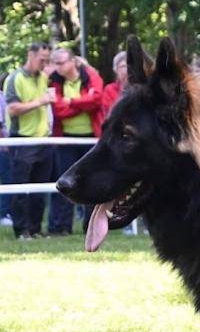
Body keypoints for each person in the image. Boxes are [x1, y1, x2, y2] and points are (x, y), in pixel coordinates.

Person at [48, 47, 104, 235]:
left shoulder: (91, 76)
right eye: (55, 63)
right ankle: (60, 227)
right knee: (63, 183)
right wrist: (83, 103)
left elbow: (96, 100)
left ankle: (91, 226)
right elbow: (58, 110)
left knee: (92, 182)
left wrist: (70, 102)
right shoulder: (53, 81)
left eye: (61, 63)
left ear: (72, 61)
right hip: (64, 139)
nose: (58, 67)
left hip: (91, 139)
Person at [4, 41, 55, 239]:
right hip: (22, 139)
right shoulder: (15, 78)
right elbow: (12, 109)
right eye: (42, 60)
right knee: (21, 188)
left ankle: (35, 228)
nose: (45, 64)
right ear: (30, 55)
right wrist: (40, 102)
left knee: (39, 190)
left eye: (47, 60)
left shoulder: (43, 77)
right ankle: (21, 230)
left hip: (43, 139)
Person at [0, 74, 12, 226]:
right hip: (4, 148)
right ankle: (4, 213)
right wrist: (5, 144)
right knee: (7, 179)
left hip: (7, 146)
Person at [102, 50, 128, 118]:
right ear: (116, 70)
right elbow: (108, 113)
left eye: (128, 66)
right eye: (122, 66)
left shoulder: (140, 89)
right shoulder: (110, 89)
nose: (126, 70)